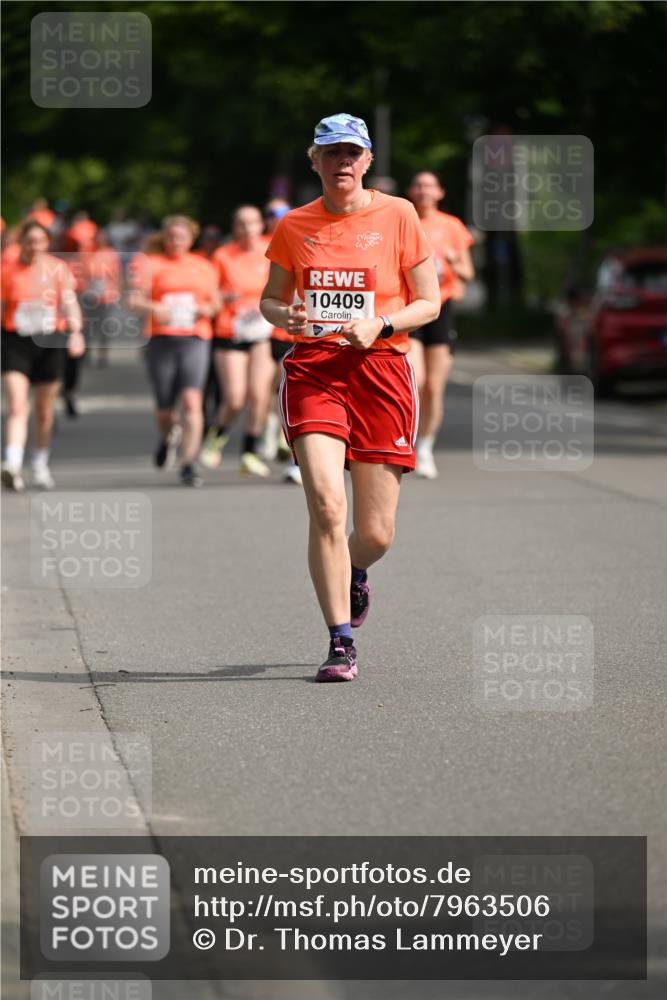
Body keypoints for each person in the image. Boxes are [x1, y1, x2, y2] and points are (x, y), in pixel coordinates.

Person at [260, 113, 440, 682]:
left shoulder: (399, 214)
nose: (342, 162)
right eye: (331, 152)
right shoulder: (293, 225)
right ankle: (340, 642)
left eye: (352, 153)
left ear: (367, 161)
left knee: (376, 532)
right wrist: (284, 315)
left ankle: (357, 569)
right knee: (325, 504)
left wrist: (383, 324)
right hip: (315, 370)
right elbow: (270, 300)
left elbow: (429, 301)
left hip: (381, 370)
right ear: (313, 160)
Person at [128, 215, 220, 487]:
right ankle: (169, 436)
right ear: (164, 237)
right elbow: (132, 300)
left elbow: (215, 303)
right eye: (171, 236)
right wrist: (154, 308)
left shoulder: (203, 265)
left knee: (192, 401)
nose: (176, 241)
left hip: (195, 338)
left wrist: (208, 309)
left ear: (191, 239)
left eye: (182, 237)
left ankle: (189, 464)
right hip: (161, 339)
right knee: (164, 411)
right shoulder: (150, 263)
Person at [1, 220, 84, 491]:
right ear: (21, 242)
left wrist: (76, 332)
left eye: (40, 241)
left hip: (50, 342)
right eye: (29, 241)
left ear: (47, 243)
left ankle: (39, 463)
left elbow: (69, 303)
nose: (34, 246)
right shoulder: (7, 269)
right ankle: (12, 464)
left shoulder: (58, 269)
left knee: (44, 411)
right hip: (16, 341)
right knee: (16, 405)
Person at [407, 171, 474, 478]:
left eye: (429, 186)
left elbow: (467, 273)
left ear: (440, 192)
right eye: (419, 186)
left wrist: (452, 261)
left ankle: (425, 446)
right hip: (411, 306)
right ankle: (407, 440)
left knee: (434, 387)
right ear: (412, 191)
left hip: (442, 307)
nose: (424, 191)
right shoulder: (404, 219)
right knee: (415, 381)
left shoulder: (452, 226)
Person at [200, 205, 274, 477]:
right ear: (235, 228)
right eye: (241, 224)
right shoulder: (223, 255)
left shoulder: (270, 249)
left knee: (260, 394)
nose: (247, 229)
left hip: (261, 333)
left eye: (252, 223)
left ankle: (249, 452)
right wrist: (223, 298)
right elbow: (211, 291)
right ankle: (216, 436)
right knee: (234, 398)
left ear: (260, 225)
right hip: (230, 330)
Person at [260, 198, 302, 484]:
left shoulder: (302, 233)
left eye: (279, 213)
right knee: (267, 388)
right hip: (268, 330)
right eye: (270, 213)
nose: (274, 218)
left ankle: (280, 436)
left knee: (285, 388)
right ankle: (272, 428)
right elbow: (267, 295)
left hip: (304, 330)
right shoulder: (260, 243)